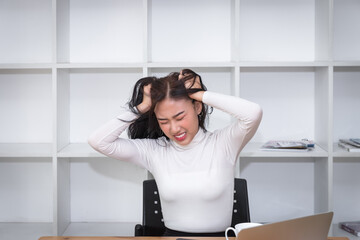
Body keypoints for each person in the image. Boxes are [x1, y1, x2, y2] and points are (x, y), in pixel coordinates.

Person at [88, 69, 263, 236]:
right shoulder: (154, 150)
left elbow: (253, 113)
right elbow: (98, 141)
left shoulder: (224, 143)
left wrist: (198, 93)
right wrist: (143, 106)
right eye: (163, 121)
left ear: (197, 108)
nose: (174, 128)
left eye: (180, 117)